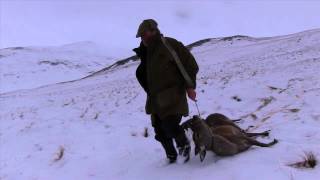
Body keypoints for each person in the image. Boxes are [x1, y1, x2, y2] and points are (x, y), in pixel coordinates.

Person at [133, 19, 199, 163]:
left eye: (145, 34)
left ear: (154, 30)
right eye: (141, 36)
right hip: (155, 98)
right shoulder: (146, 52)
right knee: (160, 131)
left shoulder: (169, 44)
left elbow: (189, 64)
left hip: (173, 94)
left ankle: (184, 149)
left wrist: (190, 86)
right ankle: (171, 157)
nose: (143, 38)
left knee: (171, 126)